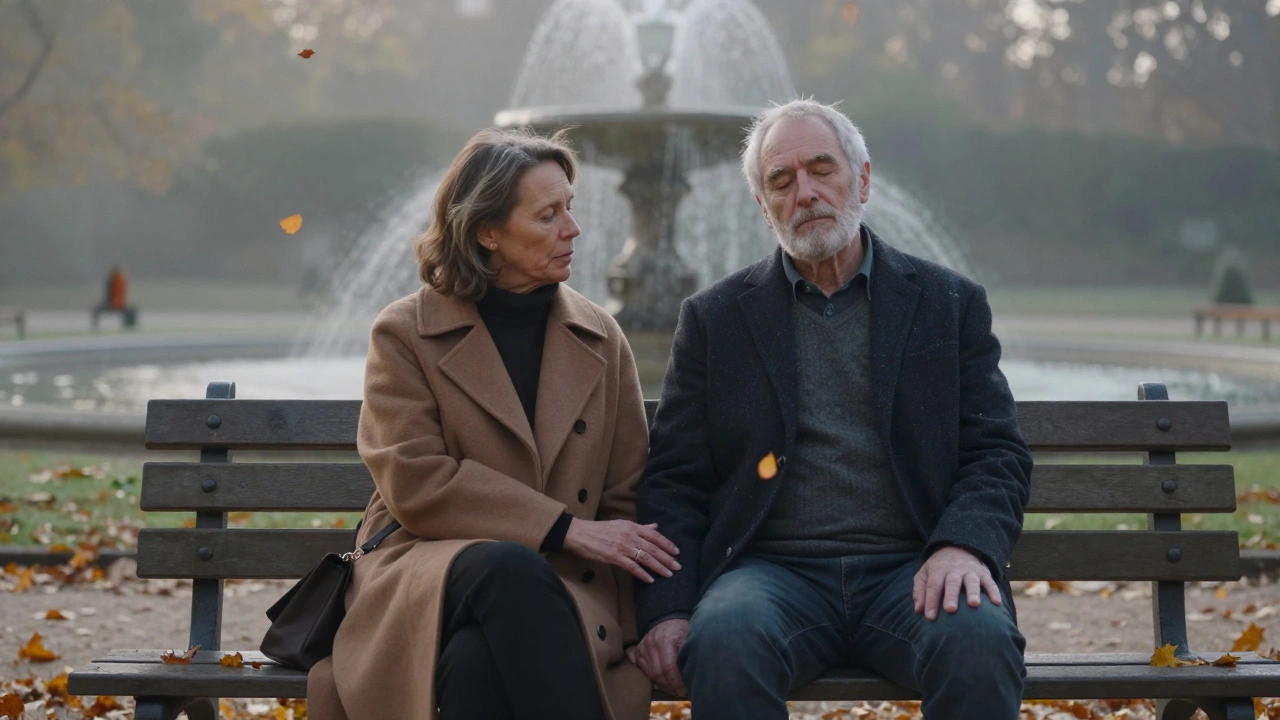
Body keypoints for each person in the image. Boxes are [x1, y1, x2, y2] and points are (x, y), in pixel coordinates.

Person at [629, 99, 1034, 719]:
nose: (806, 192)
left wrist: (964, 547)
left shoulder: (946, 303)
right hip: (770, 577)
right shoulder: (716, 319)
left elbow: (996, 453)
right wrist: (669, 609)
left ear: (862, 180)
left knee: (977, 637)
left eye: (823, 169)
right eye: (781, 181)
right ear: (764, 207)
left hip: (914, 568)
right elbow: (676, 479)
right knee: (725, 640)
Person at [306, 129, 673, 720]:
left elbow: (624, 493)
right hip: (425, 572)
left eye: (570, 210)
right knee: (507, 566)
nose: (572, 230)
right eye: (548, 215)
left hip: (568, 589)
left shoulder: (601, 337)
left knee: (476, 663)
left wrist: (643, 620)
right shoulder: (405, 333)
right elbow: (416, 480)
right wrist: (562, 529)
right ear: (487, 232)